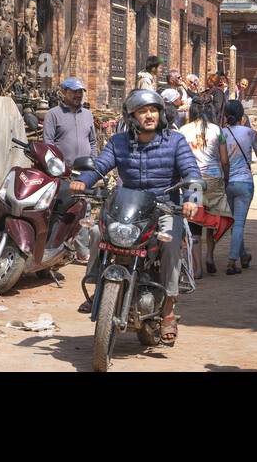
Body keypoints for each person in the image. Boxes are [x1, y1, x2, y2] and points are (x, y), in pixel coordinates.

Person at [70, 89, 201, 340]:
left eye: (153, 110)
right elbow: (99, 167)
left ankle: (169, 311)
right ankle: (99, 287)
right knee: (98, 231)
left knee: (172, 241)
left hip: (164, 208)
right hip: (127, 209)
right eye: (142, 111)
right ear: (131, 117)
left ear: (161, 114)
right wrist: (83, 181)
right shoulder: (119, 142)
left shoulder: (175, 141)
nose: (149, 115)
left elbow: (191, 172)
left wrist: (193, 200)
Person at [178, 101, 232, 277]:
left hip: (192, 181)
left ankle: (197, 267)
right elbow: (224, 159)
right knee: (213, 218)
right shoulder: (218, 130)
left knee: (194, 222)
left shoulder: (183, 131)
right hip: (215, 178)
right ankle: (210, 256)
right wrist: (226, 176)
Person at [219, 99, 257, 274]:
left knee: (235, 224)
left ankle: (243, 255)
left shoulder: (221, 134)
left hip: (227, 182)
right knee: (239, 224)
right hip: (245, 182)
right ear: (242, 115)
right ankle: (232, 261)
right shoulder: (250, 133)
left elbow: (220, 160)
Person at [42, 77, 96, 164]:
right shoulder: (53, 114)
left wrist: (93, 161)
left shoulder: (88, 114)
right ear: (64, 92)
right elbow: (48, 143)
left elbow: (92, 142)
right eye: (75, 91)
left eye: (80, 92)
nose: (78, 95)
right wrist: (55, 167)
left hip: (86, 170)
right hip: (63, 170)